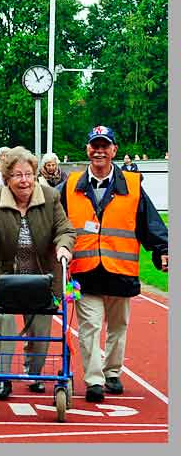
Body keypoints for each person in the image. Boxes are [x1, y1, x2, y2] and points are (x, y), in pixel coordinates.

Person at [58, 125, 168, 403]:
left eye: (104, 146)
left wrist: (163, 249)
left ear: (114, 150)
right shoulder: (70, 186)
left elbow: (150, 223)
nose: (99, 151)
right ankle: (94, 380)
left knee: (118, 327)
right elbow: (53, 219)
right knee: (90, 326)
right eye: (94, 146)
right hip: (85, 272)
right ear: (87, 149)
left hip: (120, 271)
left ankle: (112, 372)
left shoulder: (132, 186)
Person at [0, 146, 76, 400]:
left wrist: (63, 247)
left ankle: (34, 373)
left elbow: (65, 229)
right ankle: (3, 376)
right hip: (5, 278)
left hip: (41, 277)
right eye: (17, 175)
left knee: (40, 327)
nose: (24, 180)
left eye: (28, 174)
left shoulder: (50, 197)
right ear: (7, 178)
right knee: (3, 322)